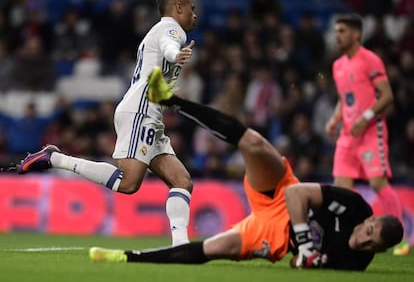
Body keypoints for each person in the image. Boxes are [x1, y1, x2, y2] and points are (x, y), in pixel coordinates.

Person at [88, 67, 403, 271]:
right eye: (369, 232)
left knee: (212, 249)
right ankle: (171, 101)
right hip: (281, 191)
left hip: (272, 234)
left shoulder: (356, 262)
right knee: (252, 142)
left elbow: (299, 265)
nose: (363, 240)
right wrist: (307, 246)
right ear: (370, 219)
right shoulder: (355, 208)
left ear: (379, 250)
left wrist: (301, 257)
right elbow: (296, 193)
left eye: (372, 245)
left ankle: (126, 257)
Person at [16, 0, 197, 247]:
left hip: (149, 116)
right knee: (128, 183)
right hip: (141, 112)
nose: (195, 14)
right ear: (178, 7)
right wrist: (176, 54)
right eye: (192, 9)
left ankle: (181, 247)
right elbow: (170, 45)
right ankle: (55, 158)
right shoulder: (172, 29)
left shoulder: (156, 32)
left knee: (182, 181)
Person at [324, 13, 409, 255]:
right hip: (348, 134)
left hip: (371, 131)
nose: (337, 36)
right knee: (341, 188)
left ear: (356, 34)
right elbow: (344, 100)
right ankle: (343, 237)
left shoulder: (370, 60)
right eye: (336, 31)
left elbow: (387, 95)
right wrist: (334, 119)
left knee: (377, 181)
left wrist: (366, 118)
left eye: (342, 31)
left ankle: (399, 239)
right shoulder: (337, 66)